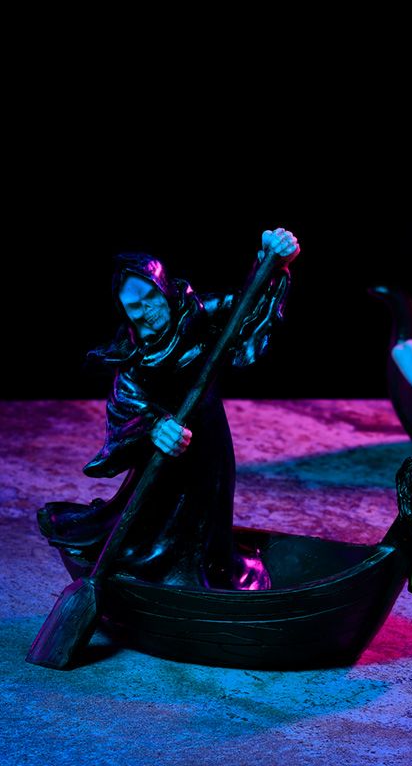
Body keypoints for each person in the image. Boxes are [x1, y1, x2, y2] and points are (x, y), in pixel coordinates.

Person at [36, 228, 299, 589]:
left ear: (164, 290)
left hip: (209, 438)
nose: (147, 312)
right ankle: (156, 571)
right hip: (163, 446)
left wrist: (271, 263)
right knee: (156, 516)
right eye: (135, 307)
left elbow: (247, 307)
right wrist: (155, 426)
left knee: (209, 508)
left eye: (151, 298)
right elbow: (124, 405)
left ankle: (208, 568)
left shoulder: (198, 314)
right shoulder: (133, 356)